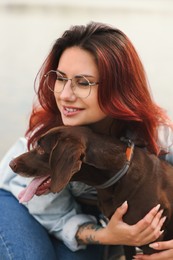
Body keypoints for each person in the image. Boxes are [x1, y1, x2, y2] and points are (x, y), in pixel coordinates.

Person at [0, 21, 173, 260]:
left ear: (119, 88)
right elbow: (51, 211)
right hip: (19, 200)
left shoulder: (157, 139)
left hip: (89, 216)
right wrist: (105, 236)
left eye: (83, 82)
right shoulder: (51, 134)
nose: (65, 95)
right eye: (60, 79)